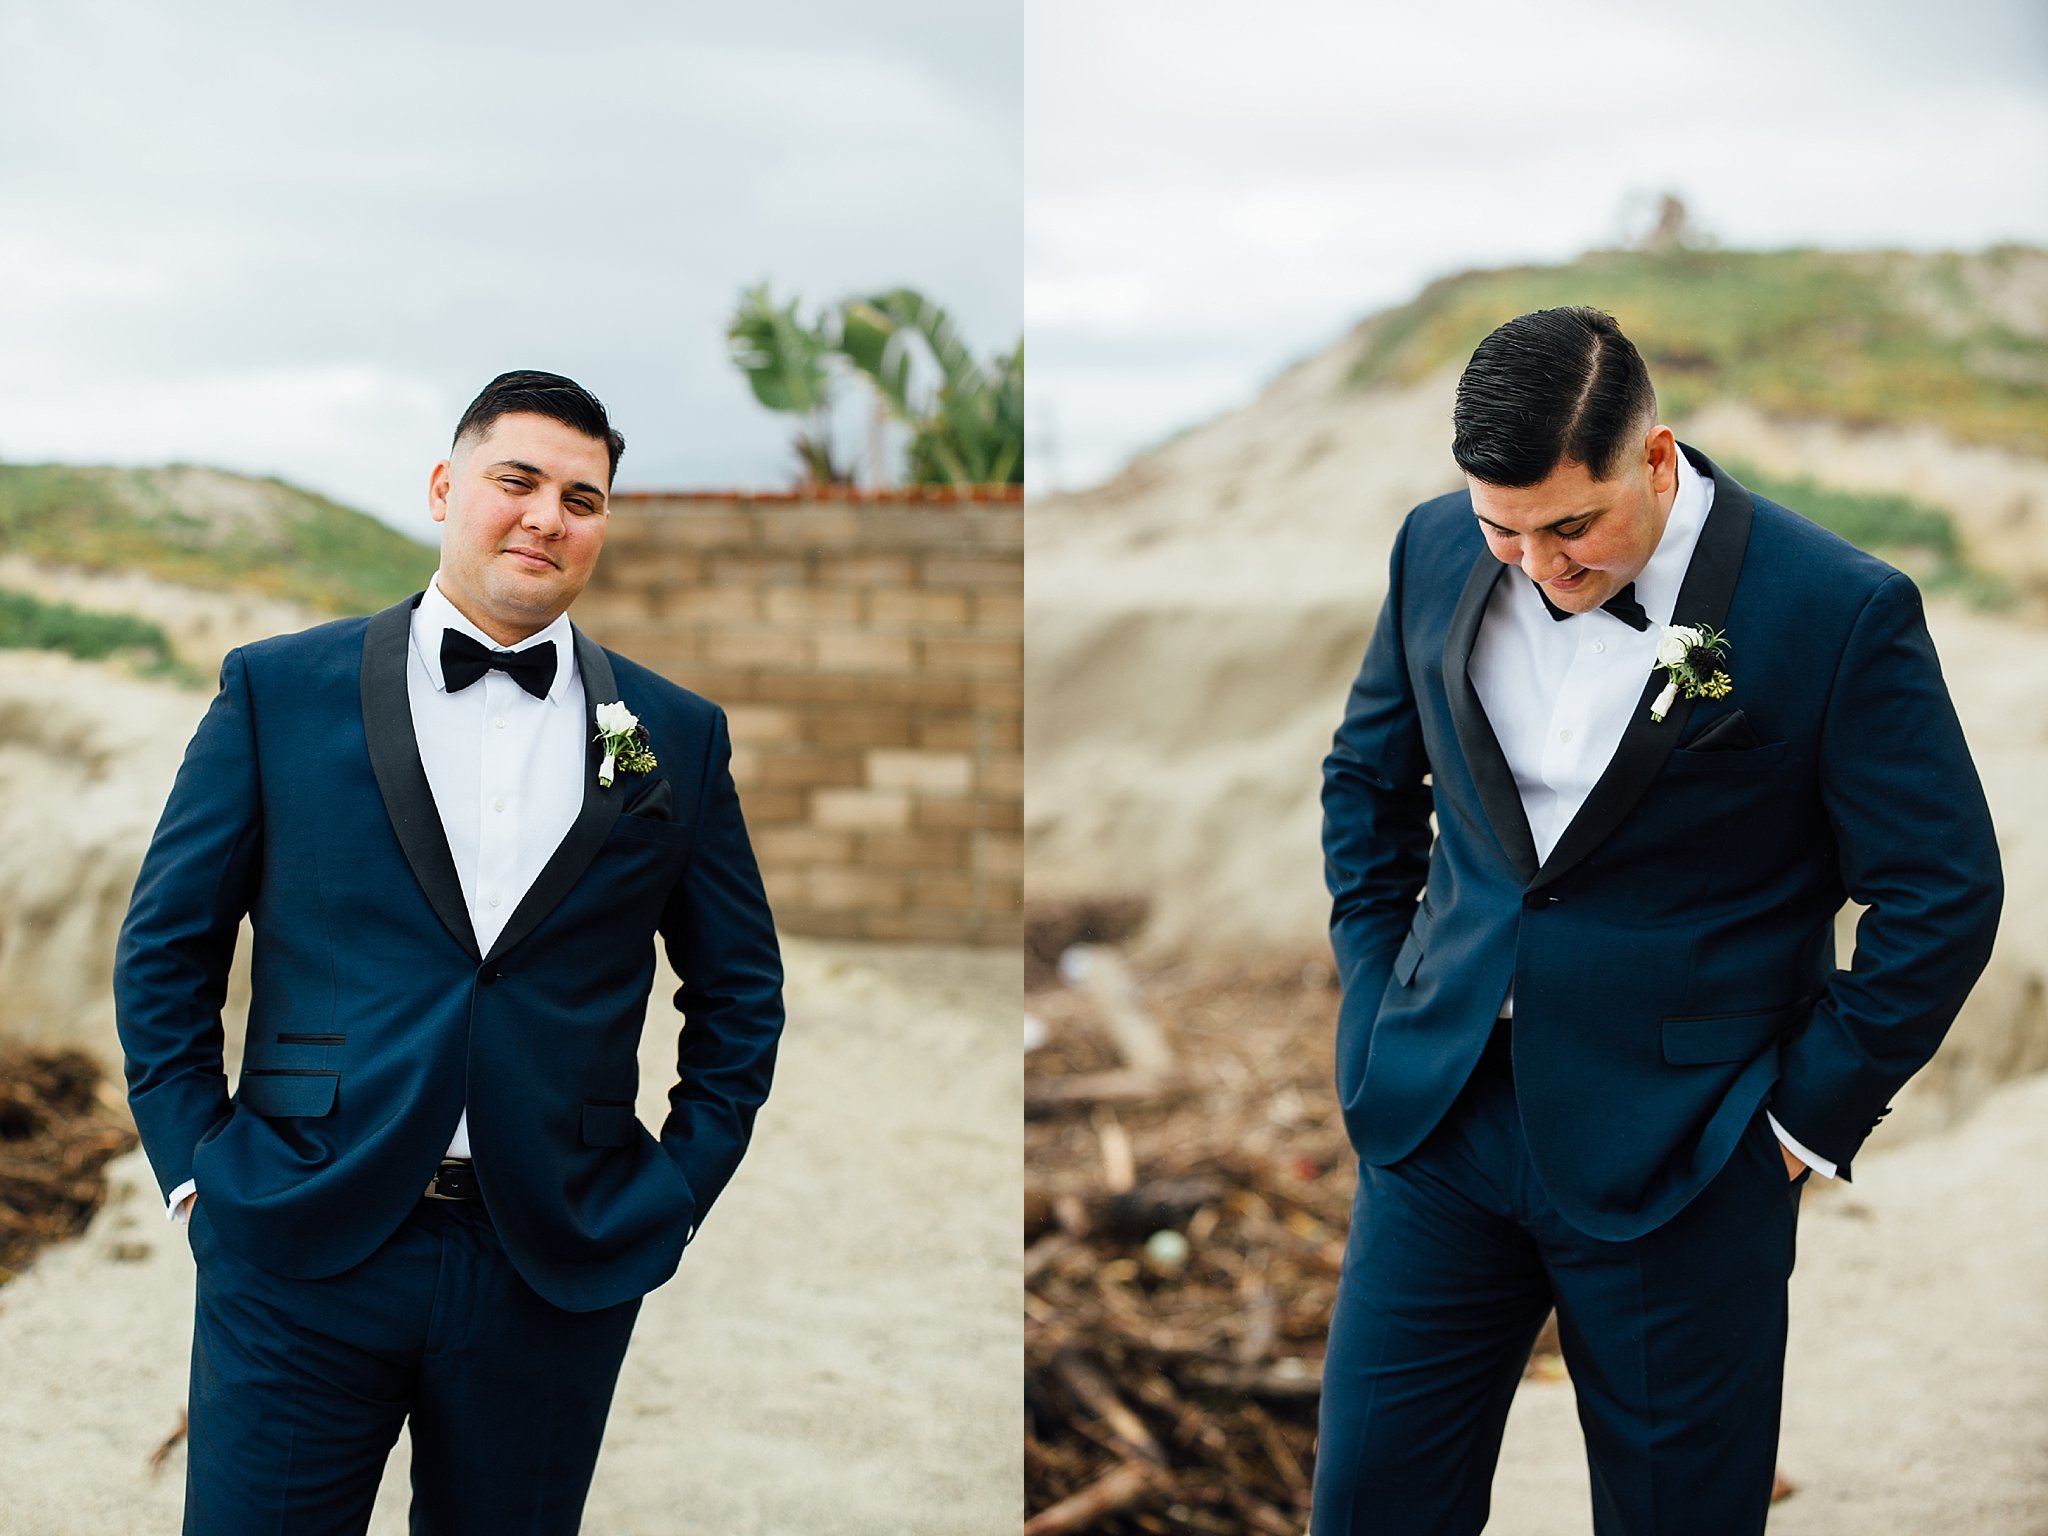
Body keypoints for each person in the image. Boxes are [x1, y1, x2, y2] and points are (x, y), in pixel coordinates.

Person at [1313, 308, 2001, 1534]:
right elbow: (1367, 783)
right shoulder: (1428, 549)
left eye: (1569, 527)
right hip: (1434, 1119)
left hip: (1689, 1151)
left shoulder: (1833, 608)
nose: (1536, 565)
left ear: (1654, 455)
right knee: (1368, 1511)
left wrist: (1793, 1127)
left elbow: (1940, 889)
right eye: (1501, 528)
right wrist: (1375, 999)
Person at [115, 369, 786, 1533]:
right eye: (515, 481)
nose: (546, 516)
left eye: (582, 497)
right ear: (443, 487)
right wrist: (195, 1172)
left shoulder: (673, 733)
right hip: (299, 1237)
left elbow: (740, 992)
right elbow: (165, 948)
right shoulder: (278, 692)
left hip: (553, 1257)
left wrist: (672, 1194)